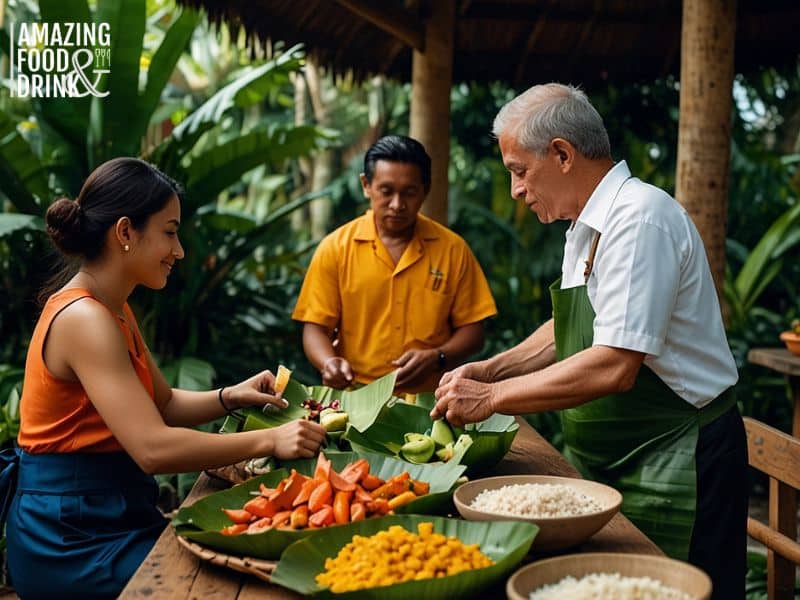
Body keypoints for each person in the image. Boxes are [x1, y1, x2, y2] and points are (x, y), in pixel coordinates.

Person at [432, 84, 746, 599]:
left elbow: (613, 364)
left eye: (518, 170)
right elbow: (573, 331)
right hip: (614, 459)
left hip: (680, 458)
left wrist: (489, 400)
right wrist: (493, 369)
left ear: (561, 154)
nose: (515, 189)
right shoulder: (584, 224)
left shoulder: (640, 219)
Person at [0, 157, 326, 599]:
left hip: (113, 515)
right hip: (69, 537)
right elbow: (152, 447)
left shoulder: (113, 306)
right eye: (170, 232)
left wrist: (232, 396)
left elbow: (165, 403)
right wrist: (270, 440)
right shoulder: (84, 318)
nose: (180, 250)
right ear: (125, 233)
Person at [292, 135, 497, 394]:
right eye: (386, 191)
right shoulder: (336, 248)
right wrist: (329, 363)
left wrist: (438, 356)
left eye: (409, 193)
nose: (397, 205)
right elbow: (315, 329)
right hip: (355, 396)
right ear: (366, 185)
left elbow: (474, 331)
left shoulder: (453, 250)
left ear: (425, 189)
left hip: (432, 398)